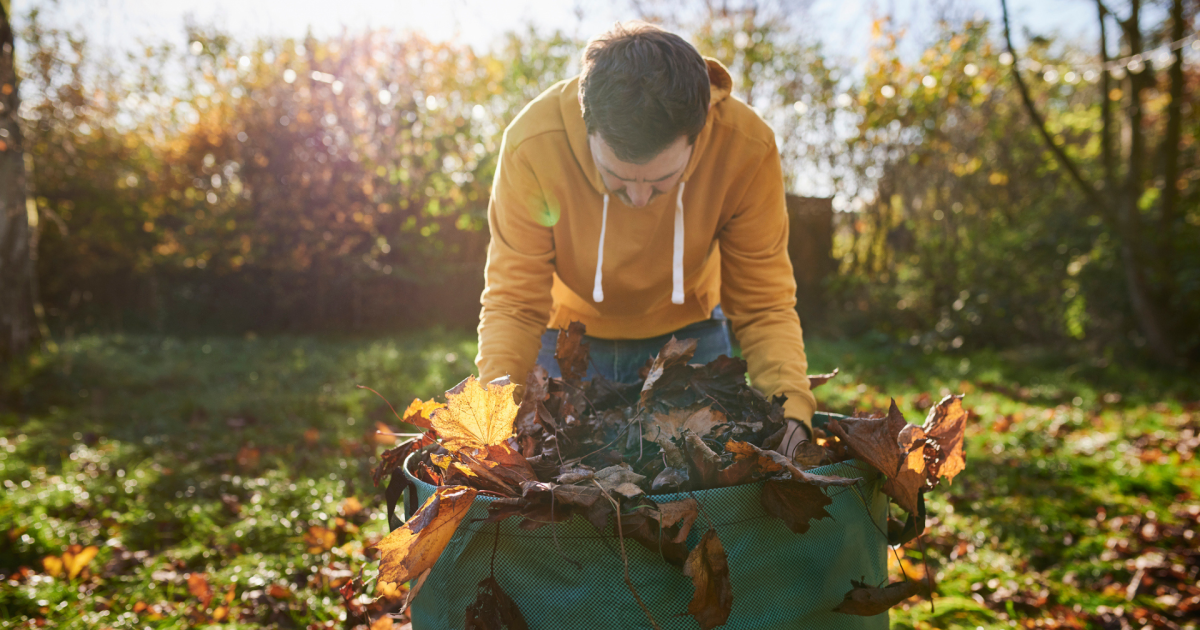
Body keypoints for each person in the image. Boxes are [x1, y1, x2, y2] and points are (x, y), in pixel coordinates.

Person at [475, 21, 816, 458]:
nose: (638, 198)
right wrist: (491, 417)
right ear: (587, 126)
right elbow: (514, 302)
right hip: (566, 339)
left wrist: (790, 413)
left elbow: (763, 302)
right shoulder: (532, 145)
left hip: (691, 339)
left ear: (699, 133)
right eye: (616, 177)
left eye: (661, 181)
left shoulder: (747, 147)